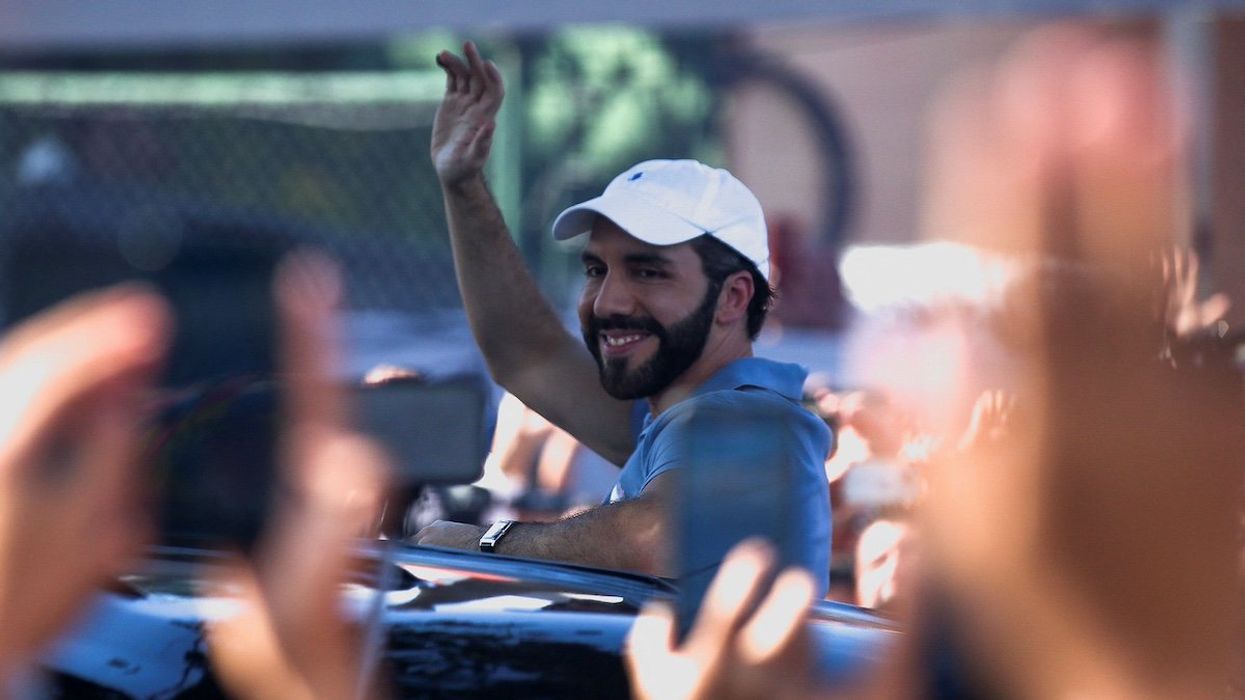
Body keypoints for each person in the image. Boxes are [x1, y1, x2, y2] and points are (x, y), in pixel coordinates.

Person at [412, 42, 832, 592]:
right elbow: (524, 352)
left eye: (648, 272)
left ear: (733, 298)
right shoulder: (678, 415)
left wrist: (480, 543)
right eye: (595, 270)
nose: (608, 301)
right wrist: (463, 183)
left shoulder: (746, 419)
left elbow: (652, 535)